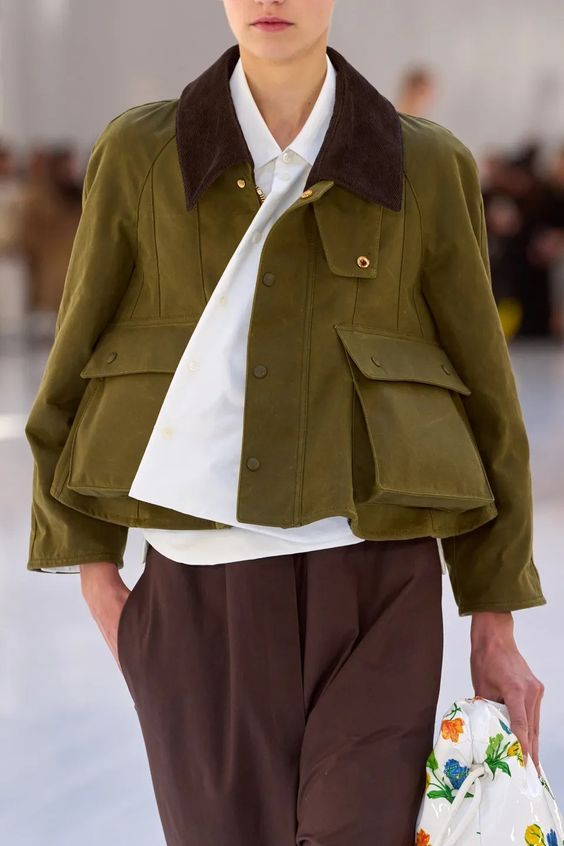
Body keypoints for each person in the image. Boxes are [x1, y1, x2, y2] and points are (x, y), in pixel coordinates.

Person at [24, 1, 548, 844]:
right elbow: (72, 365)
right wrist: (97, 579)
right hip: (197, 594)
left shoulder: (426, 164)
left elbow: (488, 397)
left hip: (380, 587)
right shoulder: (140, 154)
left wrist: (496, 619)